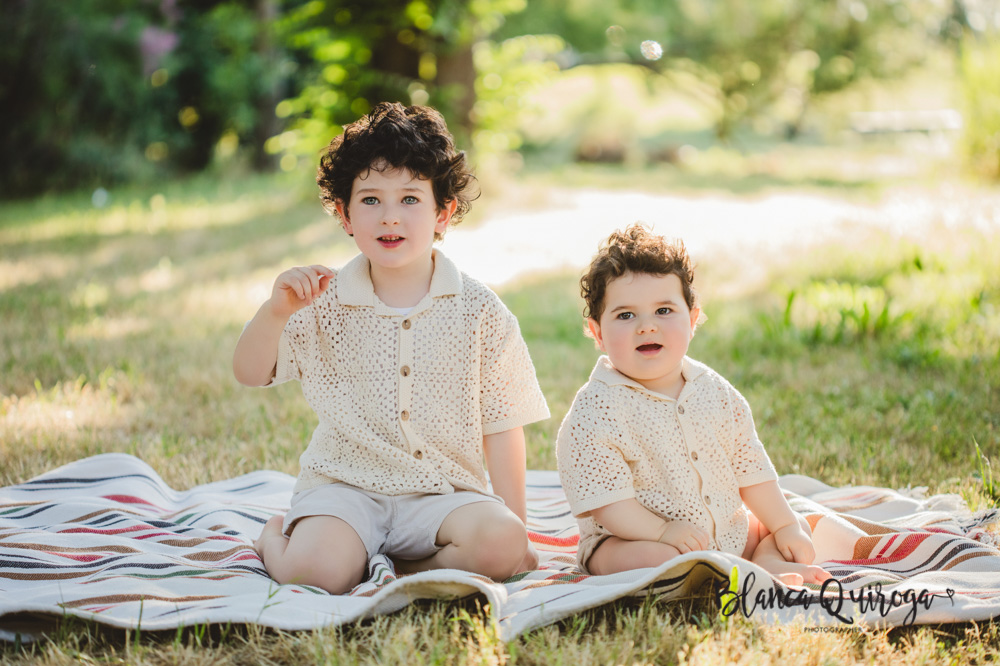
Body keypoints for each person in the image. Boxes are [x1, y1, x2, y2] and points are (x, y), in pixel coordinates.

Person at [234, 102, 549, 594]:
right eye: (371, 200)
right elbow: (250, 373)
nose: (390, 217)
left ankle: (394, 573)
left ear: (443, 214)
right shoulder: (323, 302)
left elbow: (503, 423)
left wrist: (517, 528)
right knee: (312, 574)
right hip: (346, 488)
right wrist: (275, 313)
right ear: (345, 215)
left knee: (504, 543)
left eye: (409, 200)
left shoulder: (479, 311)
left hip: (443, 495)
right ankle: (275, 542)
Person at [556, 223, 830, 585]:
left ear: (693, 319)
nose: (647, 326)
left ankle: (764, 566)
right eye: (626, 315)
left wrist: (784, 525)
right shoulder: (597, 411)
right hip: (633, 538)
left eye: (664, 311)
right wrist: (662, 531)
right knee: (660, 560)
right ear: (598, 333)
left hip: (723, 532)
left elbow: (752, 470)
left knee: (773, 528)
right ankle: (713, 576)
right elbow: (610, 505)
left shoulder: (715, 392)